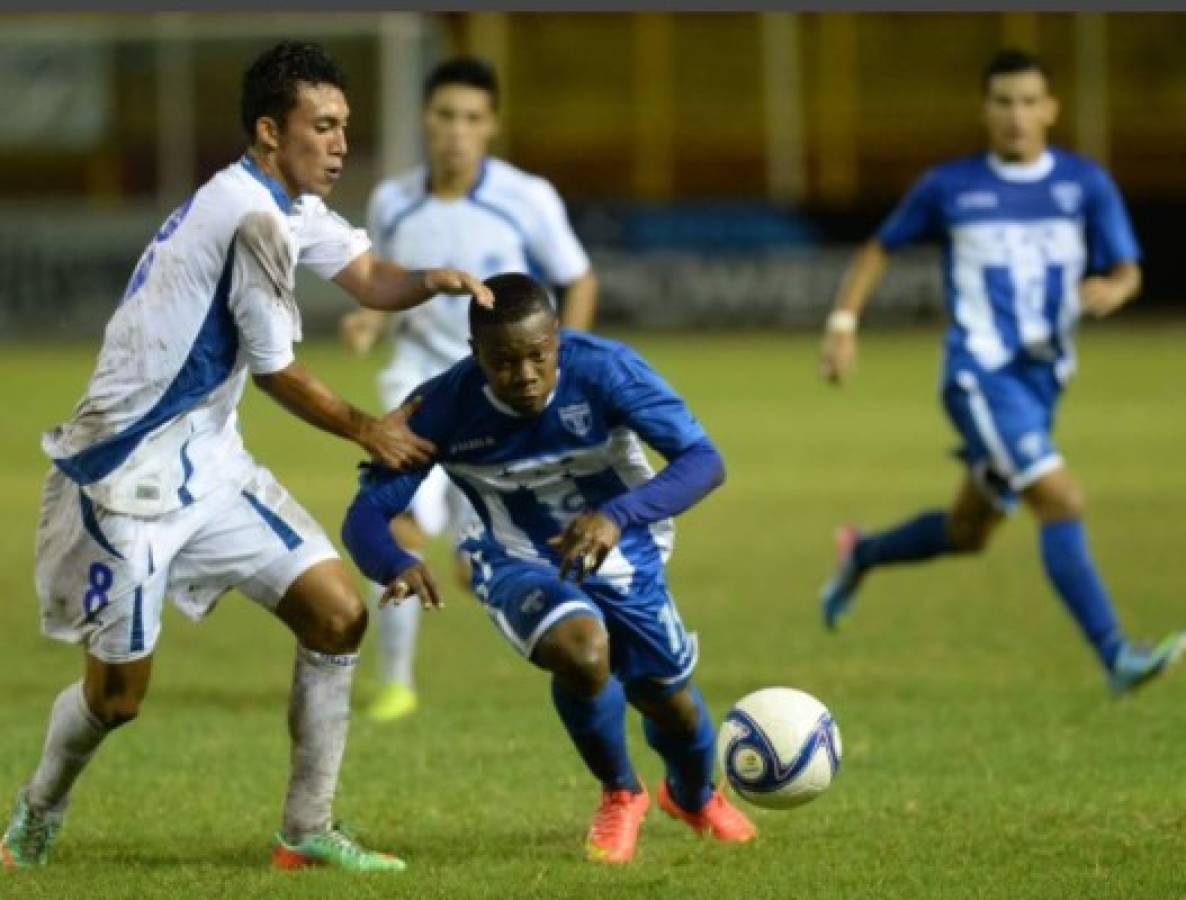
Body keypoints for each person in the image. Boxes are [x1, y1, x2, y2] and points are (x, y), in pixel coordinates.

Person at [0, 41, 492, 874]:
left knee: (337, 613)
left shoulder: (287, 203)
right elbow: (275, 373)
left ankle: (306, 830)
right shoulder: (251, 215)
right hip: (125, 481)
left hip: (208, 465)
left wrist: (432, 281)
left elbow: (369, 274)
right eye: (323, 127)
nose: (340, 144)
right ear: (271, 131)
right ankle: (34, 814)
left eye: (345, 126)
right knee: (117, 701)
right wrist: (371, 428)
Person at [340, 273, 754, 864]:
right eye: (504, 362)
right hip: (511, 556)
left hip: (625, 554)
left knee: (671, 702)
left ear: (558, 338)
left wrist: (616, 517)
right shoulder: (441, 409)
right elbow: (366, 515)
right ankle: (621, 792)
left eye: (538, 355)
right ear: (474, 353)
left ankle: (692, 796)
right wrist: (393, 561)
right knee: (582, 652)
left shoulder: (608, 371)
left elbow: (704, 462)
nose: (525, 374)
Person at [818, 48, 1183, 693]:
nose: (1017, 116)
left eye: (1028, 102)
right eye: (1003, 103)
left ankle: (863, 554)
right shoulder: (949, 187)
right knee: (1060, 498)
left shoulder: (1084, 184)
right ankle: (1116, 656)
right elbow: (879, 248)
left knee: (969, 531)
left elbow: (1128, 268)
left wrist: (1117, 289)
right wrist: (844, 325)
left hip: (1042, 384)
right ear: (985, 112)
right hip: (979, 376)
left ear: (1050, 109)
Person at [339, 56, 598, 723]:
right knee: (397, 520)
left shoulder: (526, 198)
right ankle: (395, 682)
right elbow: (389, 281)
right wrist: (370, 318)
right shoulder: (393, 200)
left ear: (491, 126)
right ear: (425, 121)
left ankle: (573, 645)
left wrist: (560, 361)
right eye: (445, 116)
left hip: (502, 395)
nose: (456, 131)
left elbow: (579, 277)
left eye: (471, 119)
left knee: (483, 557)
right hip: (421, 386)